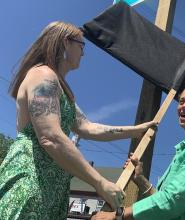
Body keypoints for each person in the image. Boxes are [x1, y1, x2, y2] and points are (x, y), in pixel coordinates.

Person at [0, 21, 156, 220]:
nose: (83, 53)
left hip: (54, 188)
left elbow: (88, 127)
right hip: (32, 179)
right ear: (66, 43)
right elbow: (50, 137)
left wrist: (136, 130)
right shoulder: (43, 75)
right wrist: (100, 182)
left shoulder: (61, 89)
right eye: (81, 46)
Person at [93, 84, 185, 220]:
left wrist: (117, 215)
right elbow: (166, 203)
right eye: (181, 101)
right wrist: (141, 180)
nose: (184, 106)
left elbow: (172, 201)